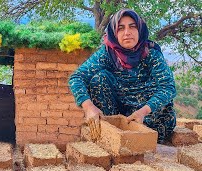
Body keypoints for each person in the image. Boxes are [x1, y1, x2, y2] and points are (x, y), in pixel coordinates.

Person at [68, 9, 176, 143]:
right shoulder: (107, 53)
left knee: (162, 104)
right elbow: (77, 78)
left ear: (140, 30)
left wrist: (143, 112)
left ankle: (147, 139)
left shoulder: (151, 53)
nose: (127, 33)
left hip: (148, 115)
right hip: (120, 115)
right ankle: (110, 134)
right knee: (99, 79)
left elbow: (168, 88)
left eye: (132, 26)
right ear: (114, 32)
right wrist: (88, 107)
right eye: (121, 28)